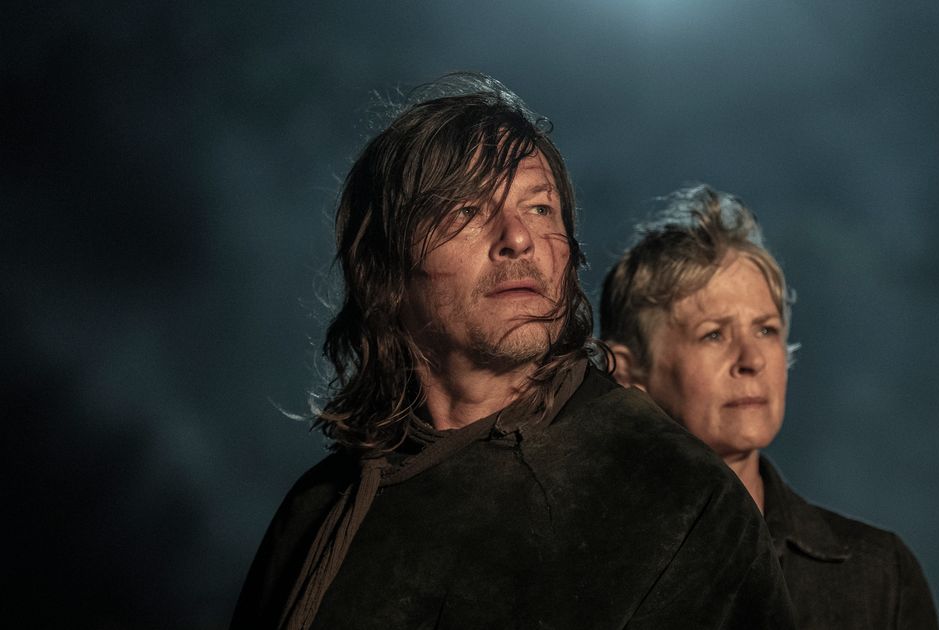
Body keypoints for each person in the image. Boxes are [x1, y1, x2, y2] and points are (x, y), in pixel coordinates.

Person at [231, 76, 795, 629]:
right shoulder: (318, 510)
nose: (518, 238)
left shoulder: (675, 494)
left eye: (540, 209)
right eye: (466, 210)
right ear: (385, 269)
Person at [600, 185, 939, 629]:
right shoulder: (573, 566)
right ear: (626, 372)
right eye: (714, 334)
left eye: (766, 330)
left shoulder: (878, 578)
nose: (752, 360)